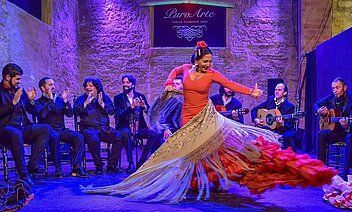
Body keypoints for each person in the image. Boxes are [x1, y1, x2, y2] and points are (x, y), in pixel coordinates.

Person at [82, 41, 336, 203]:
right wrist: (169, 83)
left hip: (206, 117)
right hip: (187, 118)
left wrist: (252, 92)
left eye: (210, 62)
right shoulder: (184, 69)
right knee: (189, 153)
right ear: (196, 59)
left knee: (213, 150)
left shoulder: (212, 74)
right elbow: (171, 75)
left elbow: (230, 84)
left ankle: (208, 181)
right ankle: (195, 182)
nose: (208, 65)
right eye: (205, 62)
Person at [0, 63, 52, 186]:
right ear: (8, 77)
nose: (19, 82)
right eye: (17, 79)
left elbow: (31, 111)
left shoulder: (19, 91)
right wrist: (13, 102)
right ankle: (24, 175)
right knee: (15, 133)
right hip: (5, 129)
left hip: (22, 128)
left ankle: (32, 164)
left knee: (45, 129)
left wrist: (31, 100)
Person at [36, 77, 88, 177]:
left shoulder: (60, 100)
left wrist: (65, 101)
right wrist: (50, 101)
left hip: (61, 129)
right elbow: (42, 115)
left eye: (53, 84)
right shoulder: (39, 102)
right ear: (43, 88)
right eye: (50, 85)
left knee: (79, 137)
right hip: (48, 131)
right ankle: (58, 169)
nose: (53, 87)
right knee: (55, 137)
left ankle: (76, 167)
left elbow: (69, 114)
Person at [73, 76, 124, 174]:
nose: (88, 88)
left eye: (90, 86)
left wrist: (102, 104)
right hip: (88, 129)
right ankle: (99, 164)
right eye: (86, 86)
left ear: (97, 87)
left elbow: (111, 111)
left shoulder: (104, 97)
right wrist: (86, 103)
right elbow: (75, 112)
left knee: (119, 136)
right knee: (93, 138)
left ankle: (112, 164)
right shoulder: (81, 99)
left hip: (104, 129)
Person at [114, 74, 160, 172]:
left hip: (138, 127)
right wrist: (131, 107)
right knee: (126, 133)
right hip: (124, 126)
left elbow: (149, 112)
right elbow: (119, 115)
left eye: (127, 82)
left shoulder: (140, 96)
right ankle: (130, 163)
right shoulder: (118, 98)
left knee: (154, 134)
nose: (125, 84)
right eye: (123, 82)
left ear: (133, 85)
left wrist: (144, 106)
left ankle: (141, 162)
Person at [314, 77, 352, 178]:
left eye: (337, 88)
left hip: (347, 132)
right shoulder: (331, 97)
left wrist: (347, 125)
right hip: (335, 131)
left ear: (345, 88)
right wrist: (319, 111)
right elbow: (316, 104)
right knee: (321, 135)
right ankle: (321, 169)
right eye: (333, 88)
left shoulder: (351, 100)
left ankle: (345, 171)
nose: (335, 90)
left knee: (350, 138)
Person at [142, 76, 184, 163]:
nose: (175, 86)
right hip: (165, 127)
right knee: (155, 135)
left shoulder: (183, 100)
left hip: (179, 128)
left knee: (162, 137)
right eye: (174, 84)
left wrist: (170, 128)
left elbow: (179, 118)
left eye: (178, 84)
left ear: (182, 86)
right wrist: (164, 128)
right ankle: (151, 163)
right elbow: (159, 114)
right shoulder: (168, 98)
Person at [251, 83, 297, 151]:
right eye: (275, 89)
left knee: (287, 136)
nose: (276, 91)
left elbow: (290, 125)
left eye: (279, 90)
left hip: (284, 130)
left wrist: (282, 123)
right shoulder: (270, 100)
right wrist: (256, 119)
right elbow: (254, 110)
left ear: (285, 93)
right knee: (258, 134)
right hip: (270, 128)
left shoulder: (289, 106)